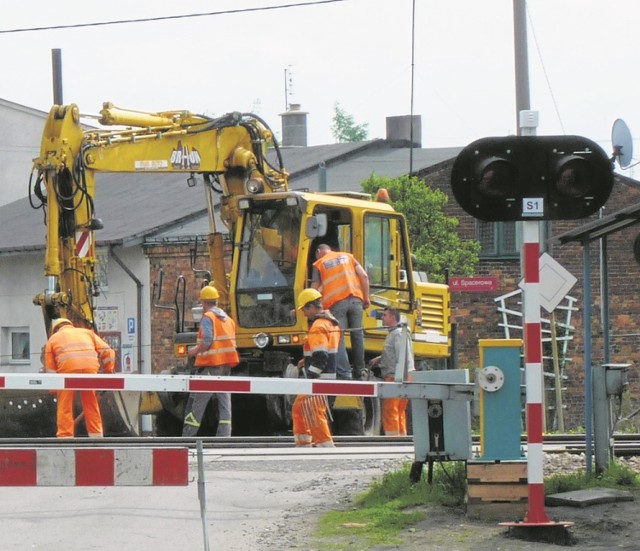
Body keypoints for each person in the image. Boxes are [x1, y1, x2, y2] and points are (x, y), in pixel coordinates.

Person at [182, 284, 239, 437]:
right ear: (217, 302)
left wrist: (193, 351)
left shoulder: (208, 317)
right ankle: (224, 438)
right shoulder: (228, 320)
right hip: (226, 365)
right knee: (225, 403)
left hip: (210, 366)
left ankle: (187, 438)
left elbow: (207, 341)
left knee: (198, 404)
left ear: (204, 303)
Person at [43, 317, 115, 438]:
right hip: (90, 370)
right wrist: (108, 371)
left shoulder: (53, 339)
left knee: (64, 406)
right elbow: (109, 352)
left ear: (55, 329)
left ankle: (65, 437)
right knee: (91, 403)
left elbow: (50, 370)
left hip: (67, 372)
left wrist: (55, 389)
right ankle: (96, 435)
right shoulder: (87, 333)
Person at [311, 243, 370, 380]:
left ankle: (345, 373)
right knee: (357, 335)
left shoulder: (319, 263)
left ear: (319, 252)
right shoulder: (348, 257)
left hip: (337, 303)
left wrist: (312, 305)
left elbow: (314, 287)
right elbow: (364, 276)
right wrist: (366, 298)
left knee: (338, 337)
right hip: (356, 300)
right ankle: (360, 370)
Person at [291, 288, 341, 448]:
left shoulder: (318, 326)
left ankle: (324, 446)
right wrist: (305, 361)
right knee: (302, 408)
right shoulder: (330, 323)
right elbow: (322, 352)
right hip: (327, 376)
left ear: (311, 307)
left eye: (305, 310)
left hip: (319, 378)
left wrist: (310, 378)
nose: (304, 314)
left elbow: (321, 357)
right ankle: (308, 443)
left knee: (311, 411)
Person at [369, 307, 415, 436]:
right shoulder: (398, 333)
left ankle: (392, 438)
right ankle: (401, 436)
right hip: (403, 375)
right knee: (399, 409)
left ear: (393, 318)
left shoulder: (397, 333)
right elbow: (398, 353)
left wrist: (398, 377)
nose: (382, 318)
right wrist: (379, 359)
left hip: (396, 376)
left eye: (385, 315)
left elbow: (402, 355)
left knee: (390, 409)